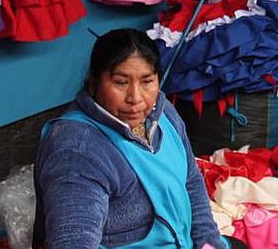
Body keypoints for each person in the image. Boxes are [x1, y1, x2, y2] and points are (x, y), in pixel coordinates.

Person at [33, 28, 228, 249]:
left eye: (147, 81)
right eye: (121, 82)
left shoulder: (164, 114)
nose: (135, 98)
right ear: (93, 83)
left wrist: (208, 241)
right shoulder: (76, 150)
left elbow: (190, 180)